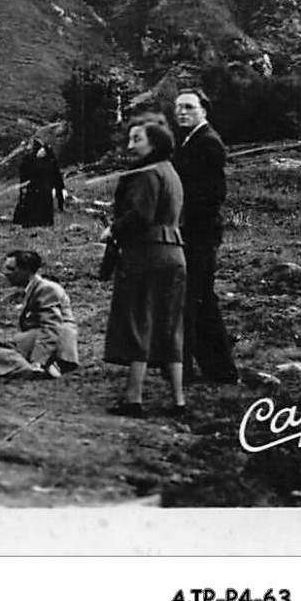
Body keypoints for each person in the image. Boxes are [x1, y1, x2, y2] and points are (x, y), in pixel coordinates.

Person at [100, 117, 188, 417]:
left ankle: (133, 398)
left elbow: (140, 215)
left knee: (139, 319)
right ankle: (178, 400)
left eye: (137, 139)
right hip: (175, 254)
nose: (129, 146)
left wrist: (113, 230)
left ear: (154, 143)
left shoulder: (147, 173)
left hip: (146, 254)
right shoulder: (171, 172)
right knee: (170, 325)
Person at [173, 89, 239, 384]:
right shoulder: (191, 141)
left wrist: (184, 222)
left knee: (199, 298)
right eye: (177, 108)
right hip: (191, 231)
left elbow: (212, 195)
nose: (181, 112)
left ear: (204, 110)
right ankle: (203, 367)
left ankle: (220, 369)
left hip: (198, 234)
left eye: (188, 107)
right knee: (195, 298)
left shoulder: (208, 143)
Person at [0, 249, 81, 377]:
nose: (6, 273)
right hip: (44, 340)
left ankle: (30, 371)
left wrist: (38, 362)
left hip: (57, 344)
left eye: (12, 269)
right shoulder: (35, 288)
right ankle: (42, 368)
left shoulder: (46, 289)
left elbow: (51, 327)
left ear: (26, 270)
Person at [12, 138, 65, 228]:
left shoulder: (46, 160)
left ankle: (37, 225)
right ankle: (37, 225)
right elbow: (57, 179)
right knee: (37, 211)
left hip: (39, 190)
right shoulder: (43, 159)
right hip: (38, 190)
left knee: (39, 210)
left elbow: (56, 178)